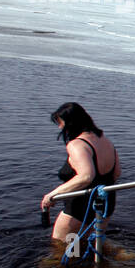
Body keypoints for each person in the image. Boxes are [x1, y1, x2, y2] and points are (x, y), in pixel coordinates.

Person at [41, 102, 121, 245]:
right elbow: (116, 174)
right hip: (106, 204)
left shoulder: (77, 145)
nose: (60, 127)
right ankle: (114, 259)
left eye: (61, 123)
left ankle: (72, 266)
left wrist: (52, 195)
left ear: (71, 122)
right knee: (91, 244)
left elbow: (86, 176)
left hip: (79, 208)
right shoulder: (106, 141)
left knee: (62, 247)